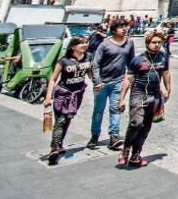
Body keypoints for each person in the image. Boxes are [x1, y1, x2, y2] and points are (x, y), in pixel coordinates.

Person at [117, 31, 171, 168]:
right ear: (148, 43)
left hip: (155, 95)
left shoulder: (164, 57)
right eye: (154, 42)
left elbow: (166, 72)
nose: (157, 45)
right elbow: (128, 79)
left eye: (159, 42)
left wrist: (168, 89)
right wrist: (121, 99)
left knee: (146, 126)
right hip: (138, 93)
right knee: (136, 123)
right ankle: (125, 150)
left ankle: (136, 156)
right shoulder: (138, 59)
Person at [44, 36, 93, 165]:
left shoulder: (88, 57)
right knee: (61, 120)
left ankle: (59, 144)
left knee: (68, 119)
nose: (85, 45)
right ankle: (54, 148)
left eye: (86, 42)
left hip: (77, 94)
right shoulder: (64, 61)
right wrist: (48, 97)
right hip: (63, 94)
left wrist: (96, 82)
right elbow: (53, 79)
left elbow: (90, 73)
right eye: (81, 43)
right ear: (73, 46)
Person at [90, 19, 135, 150]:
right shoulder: (105, 44)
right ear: (114, 30)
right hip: (103, 82)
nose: (124, 29)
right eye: (121, 27)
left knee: (115, 109)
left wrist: (131, 79)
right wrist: (97, 81)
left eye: (125, 26)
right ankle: (94, 135)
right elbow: (96, 63)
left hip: (118, 81)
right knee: (98, 110)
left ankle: (114, 136)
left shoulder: (129, 43)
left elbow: (131, 63)